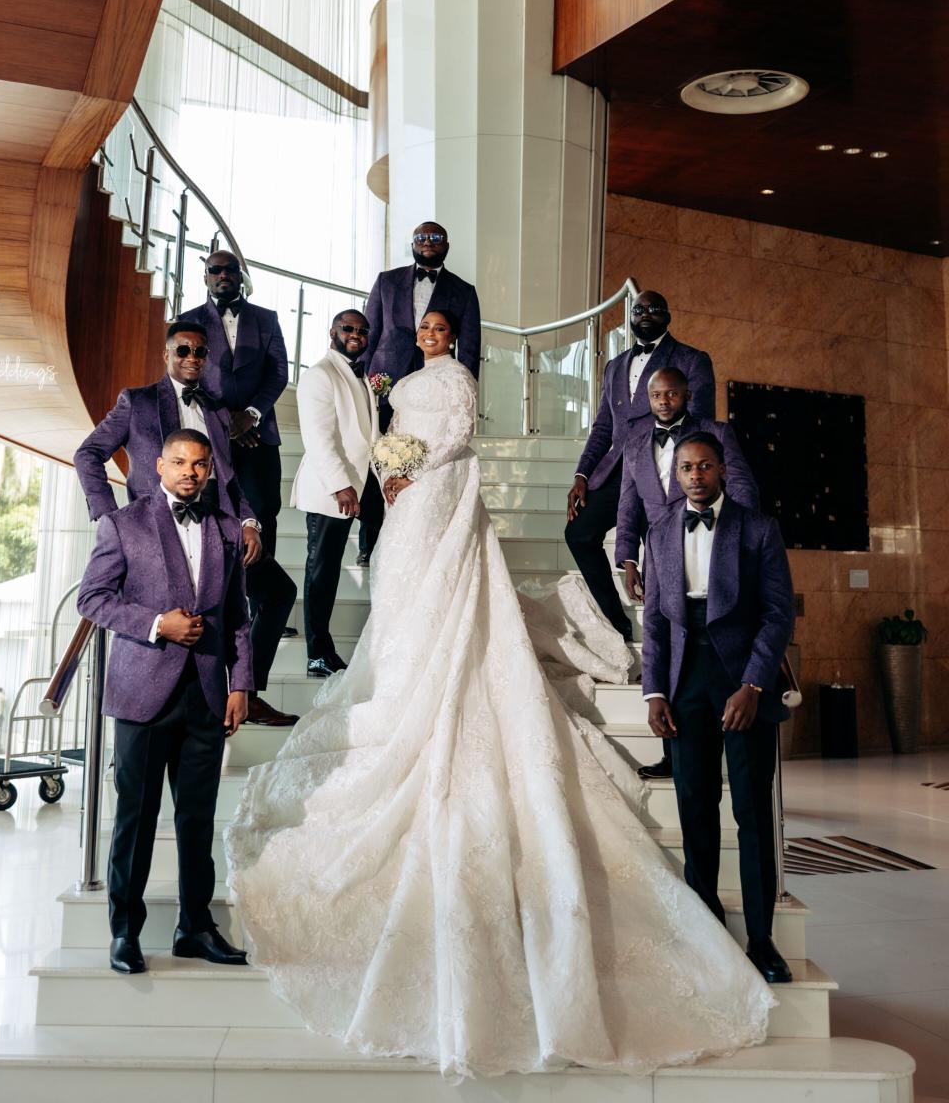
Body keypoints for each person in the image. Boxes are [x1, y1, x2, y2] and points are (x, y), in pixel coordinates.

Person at [224, 310, 774, 1078]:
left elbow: (457, 435)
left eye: (440, 326)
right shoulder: (402, 379)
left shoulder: (457, 377)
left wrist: (413, 470)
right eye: (423, 327)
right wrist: (390, 469)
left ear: (453, 336)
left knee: (448, 596)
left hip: (443, 493)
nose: (430, 334)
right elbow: (395, 433)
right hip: (407, 496)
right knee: (401, 598)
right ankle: (404, 677)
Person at [77, 429, 252, 976]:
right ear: (159, 465)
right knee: (135, 819)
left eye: (199, 464)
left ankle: (194, 928)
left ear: (209, 470)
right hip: (142, 696)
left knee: (197, 820)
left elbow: (239, 615)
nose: (189, 472)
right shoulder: (123, 524)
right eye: (179, 462)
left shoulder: (226, 529)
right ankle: (124, 933)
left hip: (206, 695)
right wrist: (158, 624)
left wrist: (241, 684)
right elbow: (92, 599)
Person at [73, 321, 297, 728]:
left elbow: (228, 479)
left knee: (279, 592)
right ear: (167, 355)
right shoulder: (137, 401)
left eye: (199, 352)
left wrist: (248, 521)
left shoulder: (216, 409)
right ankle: (145, 719)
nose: (191, 357)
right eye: (183, 350)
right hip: (158, 529)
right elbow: (88, 454)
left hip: (218, 529)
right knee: (170, 619)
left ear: (207, 358)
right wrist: (110, 517)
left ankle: (247, 693)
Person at [641, 431, 795, 985]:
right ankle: (706, 926)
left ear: (723, 469)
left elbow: (778, 615)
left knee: (752, 813)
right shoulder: (660, 531)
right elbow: (654, 620)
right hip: (686, 681)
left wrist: (753, 685)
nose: (695, 475)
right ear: (676, 475)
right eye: (686, 468)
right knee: (695, 806)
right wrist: (655, 692)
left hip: (743, 677)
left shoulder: (758, 529)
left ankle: (761, 940)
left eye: (705, 466)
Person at [614, 366, 758, 779]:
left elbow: (743, 486)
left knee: (721, 640)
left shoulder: (716, 432)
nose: (664, 401)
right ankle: (675, 752)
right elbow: (628, 504)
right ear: (648, 399)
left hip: (716, 543)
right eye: (656, 395)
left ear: (687, 395)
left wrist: (739, 537)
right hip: (663, 552)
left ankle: (730, 743)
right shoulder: (635, 443)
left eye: (672, 394)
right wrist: (628, 557)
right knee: (670, 644)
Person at [565, 291, 715, 642]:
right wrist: (582, 474)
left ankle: (675, 637)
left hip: (665, 470)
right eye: (638, 309)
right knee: (579, 533)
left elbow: (702, 423)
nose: (645, 313)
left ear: (668, 316)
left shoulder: (692, 359)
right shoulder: (615, 365)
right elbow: (603, 426)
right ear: (630, 318)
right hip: (618, 470)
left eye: (654, 308)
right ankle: (617, 624)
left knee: (665, 554)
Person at [358, 221, 481, 567]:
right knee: (379, 457)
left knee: (423, 466)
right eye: (421, 237)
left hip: (437, 386)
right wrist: (363, 384)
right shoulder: (386, 281)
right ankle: (370, 541)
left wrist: (463, 391)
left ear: (447, 245)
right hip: (386, 387)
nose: (428, 242)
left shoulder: (464, 291)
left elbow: (470, 348)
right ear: (412, 243)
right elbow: (370, 334)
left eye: (436, 237)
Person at [176, 249, 290, 577]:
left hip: (259, 434)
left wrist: (251, 414)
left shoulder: (267, 318)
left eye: (230, 269)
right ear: (206, 278)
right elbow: (185, 375)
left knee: (264, 511)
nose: (223, 275)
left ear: (241, 276)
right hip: (210, 435)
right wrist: (226, 420)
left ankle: (261, 596)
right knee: (212, 512)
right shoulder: (188, 320)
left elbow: (278, 372)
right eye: (215, 270)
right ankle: (218, 593)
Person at [293, 310, 383, 679]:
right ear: (333, 332)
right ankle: (318, 653)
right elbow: (319, 439)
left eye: (362, 330)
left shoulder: (361, 375)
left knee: (389, 550)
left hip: (366, 483)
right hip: (332, 489)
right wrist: (340, 485)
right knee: (322, 570)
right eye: (348, 328)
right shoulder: (320, 375)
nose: (355, 334)